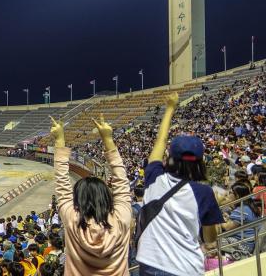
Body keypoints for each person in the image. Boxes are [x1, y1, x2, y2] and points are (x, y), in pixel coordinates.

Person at [135, 93, 223, 276]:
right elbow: (210, 239)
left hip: (151, 264)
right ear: (200, 163)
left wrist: (170, 108)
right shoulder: (204, 193)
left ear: (170, 158)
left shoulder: (154, 178)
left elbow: (160, 142)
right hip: (186, 267)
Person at [51, 113, 132, 275]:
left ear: (78, 200)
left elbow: (62, 184)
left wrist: (60, 140)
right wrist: (108, 139)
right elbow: (122, 182)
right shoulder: (122, 218)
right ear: (107, 197)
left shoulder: (72, 218)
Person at [220, 182, 259, 257]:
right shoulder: (249, 207)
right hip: (249, 243)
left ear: (237, 196)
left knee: (213, 242)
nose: (228, 194)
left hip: (243, 245)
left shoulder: (241, 210)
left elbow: (227, 227)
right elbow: (238, 223)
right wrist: (228, 218)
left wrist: (217, 218)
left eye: (230, 192)